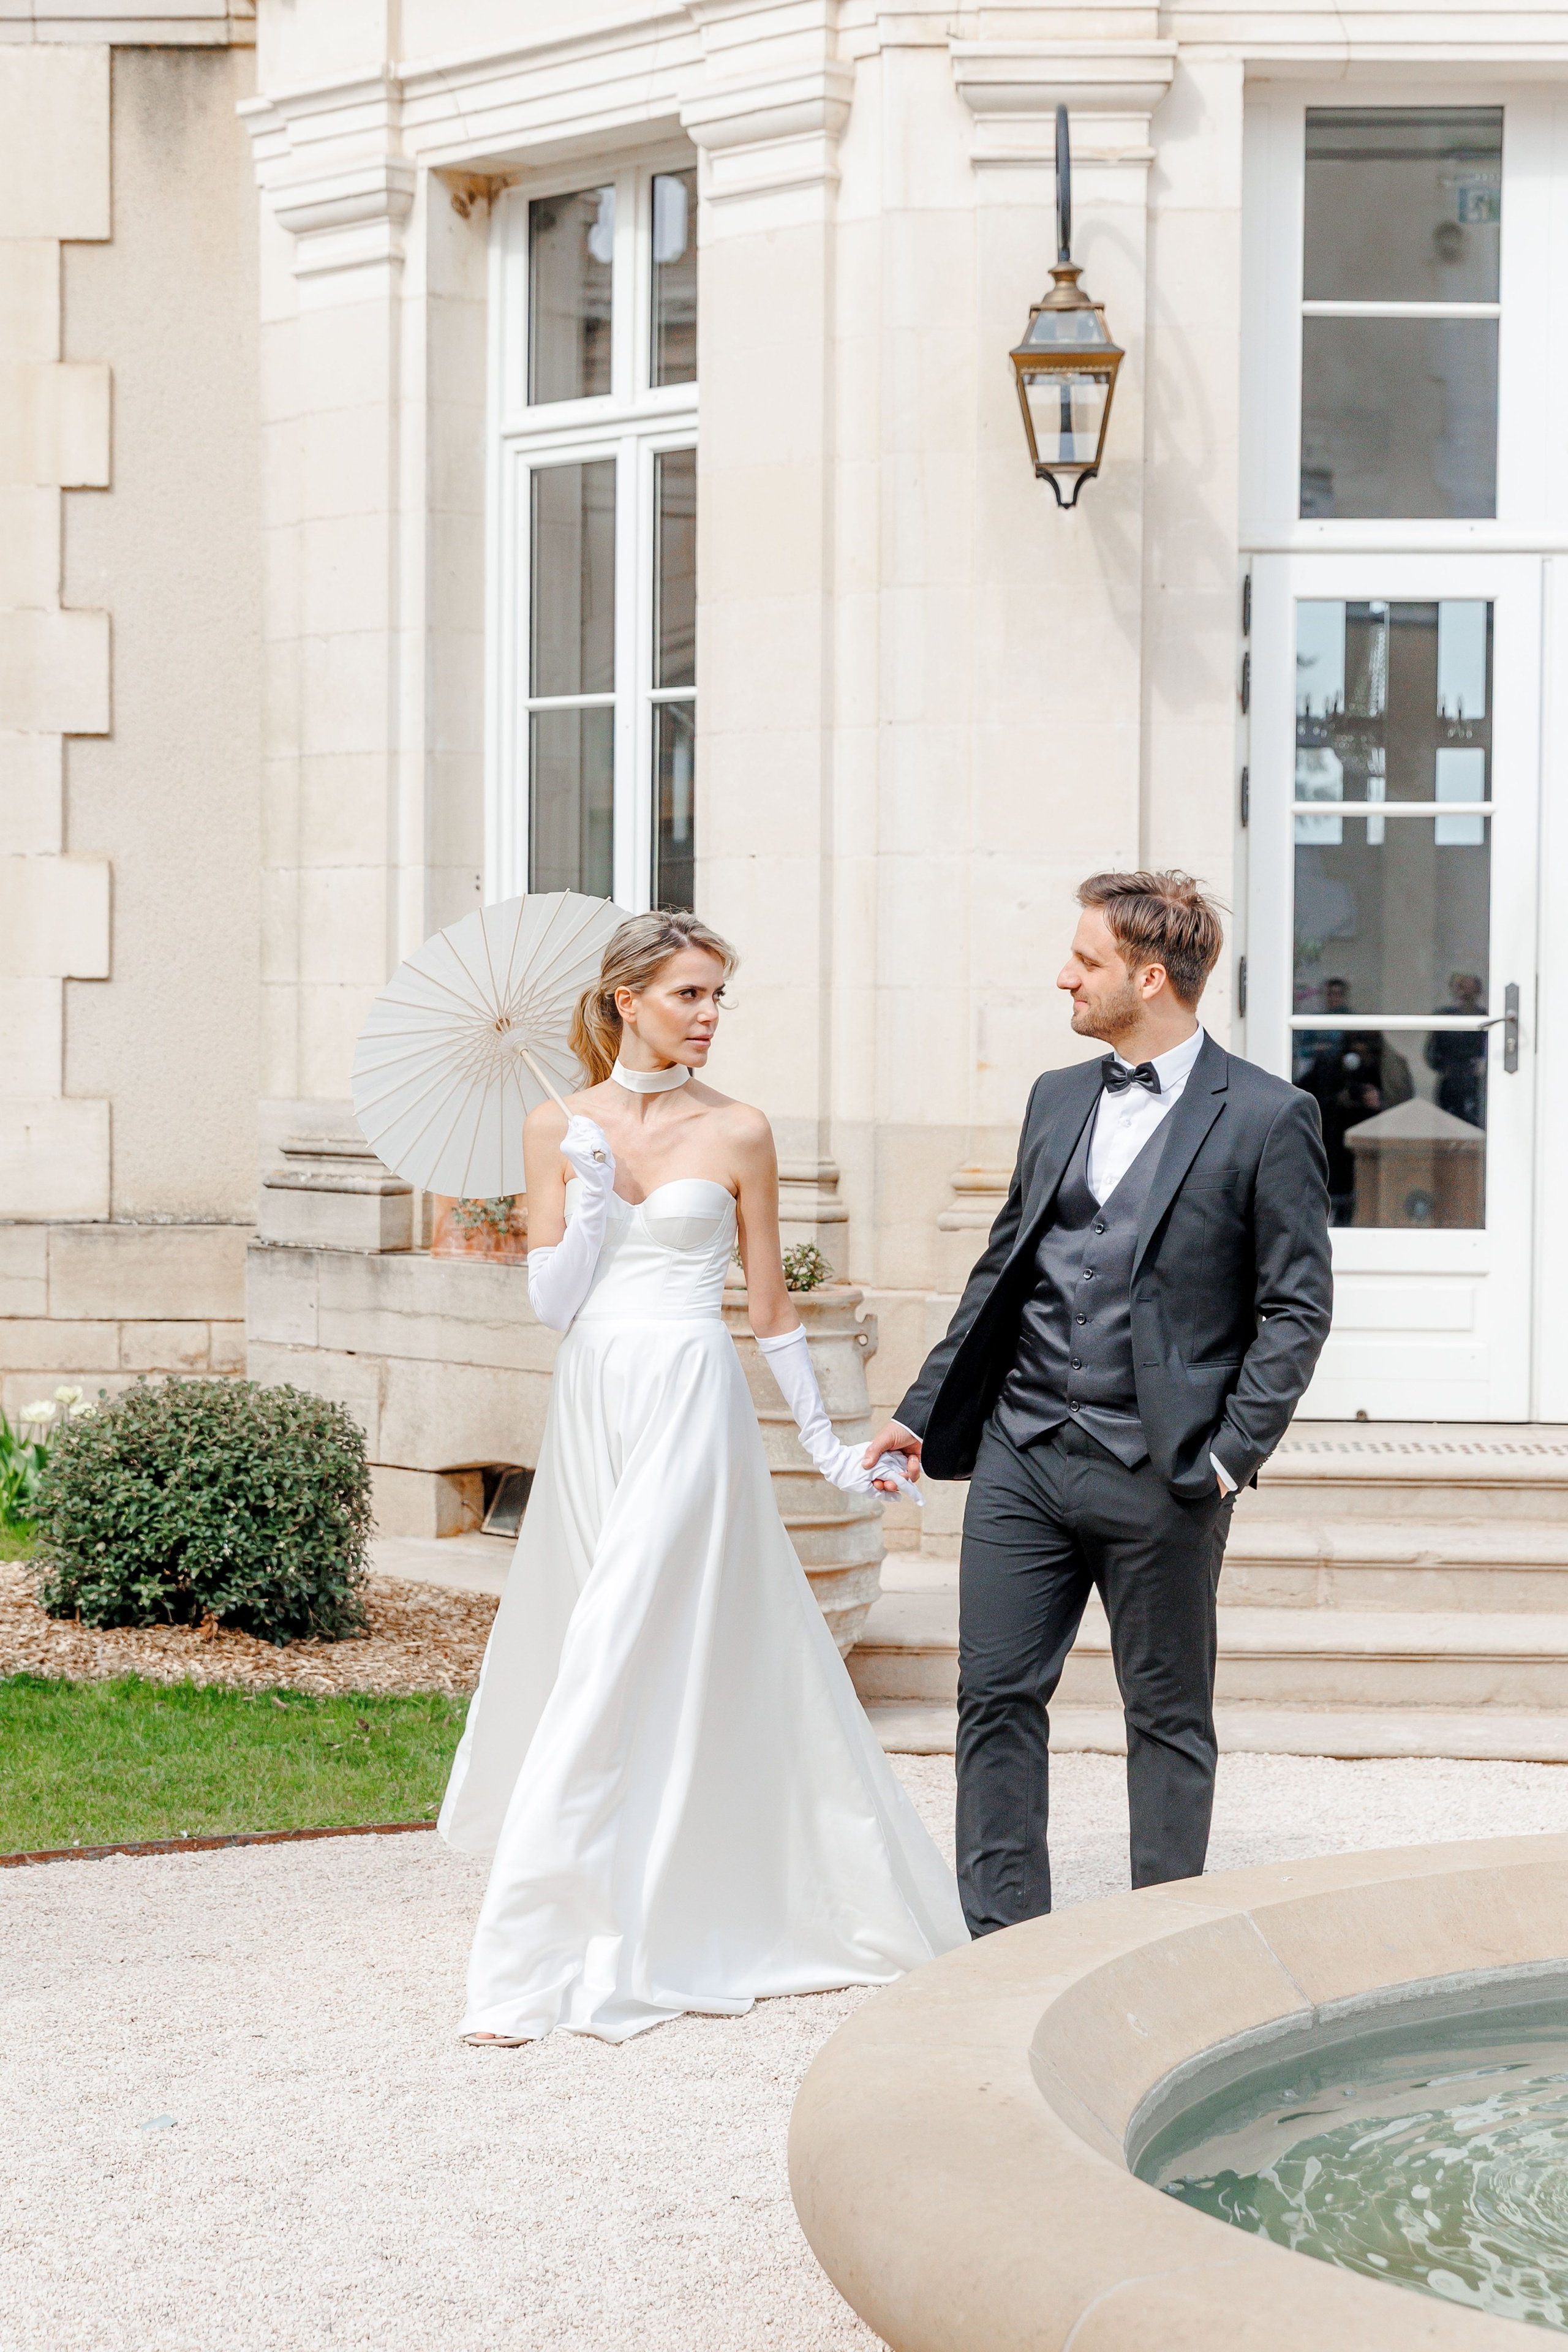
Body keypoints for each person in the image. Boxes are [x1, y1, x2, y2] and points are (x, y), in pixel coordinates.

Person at [440, 909, 967, 2045]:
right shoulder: (555, 1124)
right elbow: (553, 1305)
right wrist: (587, 1197)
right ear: (626, 1000)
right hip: (595, 1399)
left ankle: (526, 1958)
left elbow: (771, 1311)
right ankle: (631, 1891)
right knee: (619, 1641)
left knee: (616, 1638)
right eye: (689, 993)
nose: (710, 1015)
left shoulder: (739, 1131)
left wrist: (832, 1450)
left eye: (718, 994)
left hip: (690, 1396)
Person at [861, 872, 1333, 1937]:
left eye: (1086, 961)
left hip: (1164, 1469)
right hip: (1023, 1451)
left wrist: (1228, 1455)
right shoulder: (1057, 1096)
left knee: (1166, 1715)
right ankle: (1001, 1941)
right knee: (993, 1697)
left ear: (1150, 978)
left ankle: (1155, 1944)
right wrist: (924, 1411)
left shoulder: (1270, 1116)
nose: (1063, 978)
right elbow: (1004, 1269)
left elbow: (1295, 1307)